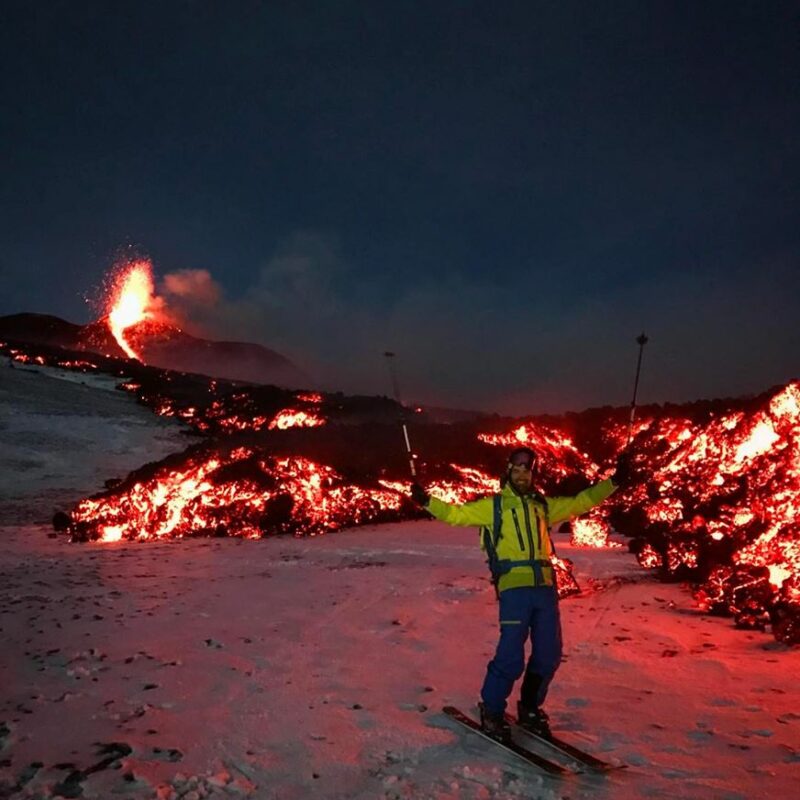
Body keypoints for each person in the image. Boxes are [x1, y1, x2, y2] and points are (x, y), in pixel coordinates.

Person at [410, 446, 633, 742]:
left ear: (533, 472)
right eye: (517, 468)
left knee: (549, 653)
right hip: (514, 590)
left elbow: (582, 501)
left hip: (545, 590)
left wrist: (614, 481)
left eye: (527, 469)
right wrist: (426, 501)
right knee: (511, 656)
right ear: (508, 471)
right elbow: (455, 515)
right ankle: (491, 709)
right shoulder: (495, 506)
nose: (522, 474)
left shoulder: (543, 505)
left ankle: (529, 708)